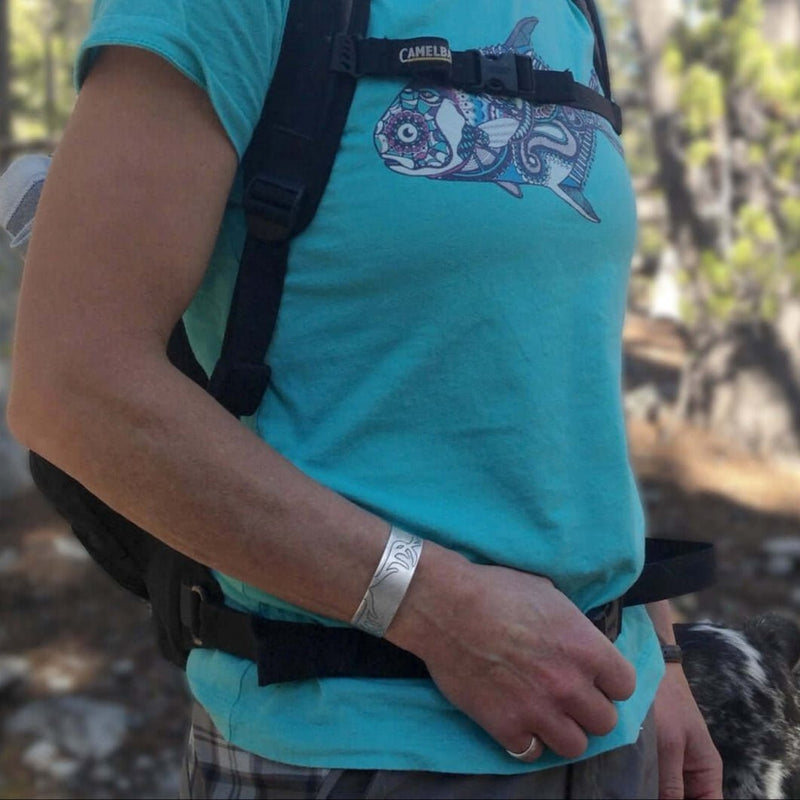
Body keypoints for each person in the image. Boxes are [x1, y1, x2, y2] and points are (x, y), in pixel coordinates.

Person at [6, 1, 723, 797]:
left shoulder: (568, 14)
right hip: (349, 748)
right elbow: (75, 383)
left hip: (611, 719)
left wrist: (656, 651)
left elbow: (558, 379)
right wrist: (433, 608)